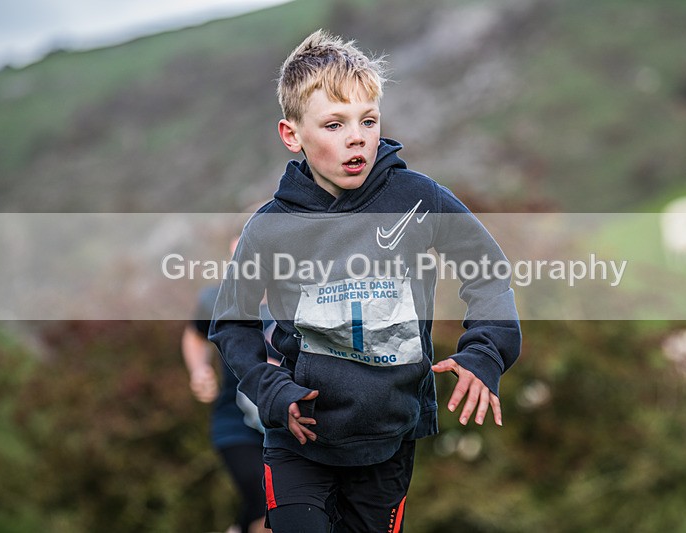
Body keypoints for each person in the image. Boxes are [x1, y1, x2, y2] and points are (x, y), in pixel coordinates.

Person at [209, 30, 521, 532]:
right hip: (298, 439)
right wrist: (271, 391)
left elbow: (488, 271)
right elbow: (231, 323)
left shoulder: (420, 199)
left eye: (368, 121)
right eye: (334, 124)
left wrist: (485, 351)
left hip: (388, 440)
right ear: (293, 135)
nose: (357, 137)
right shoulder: (269, 227)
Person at [182, 238, 275, 533]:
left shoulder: (303, 299)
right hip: (236, 424)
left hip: (292, 422)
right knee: (267, 502)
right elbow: (195, 335)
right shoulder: (215, 301)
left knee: (281, 506)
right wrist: (200, 370)